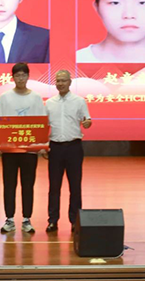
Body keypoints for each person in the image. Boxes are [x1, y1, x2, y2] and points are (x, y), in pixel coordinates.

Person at [0, 62, 46, 233]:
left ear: (28, 77)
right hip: (9, 150)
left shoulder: (36, 97)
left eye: (23, 75)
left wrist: (41, 144)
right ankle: (9, 219)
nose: (20, 78)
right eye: (17, 75)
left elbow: (41, 121)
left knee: (28, 184)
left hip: (29, 150)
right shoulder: (5, 97)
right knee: (9, 184)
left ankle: (26, 219)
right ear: (13, 77)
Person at [44, 70, 92, 233]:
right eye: (58, 81)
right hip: (55, 148)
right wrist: (44, 146)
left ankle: (75, 221)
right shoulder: (49, 103)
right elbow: (44, 126)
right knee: (54, 187)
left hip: (74, 147)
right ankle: (52, 221)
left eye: (63, 80)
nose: (60, 83)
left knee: (75, 187)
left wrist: (87, 123)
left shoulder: (79, 101)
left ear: (70, 82)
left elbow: (87, 119)